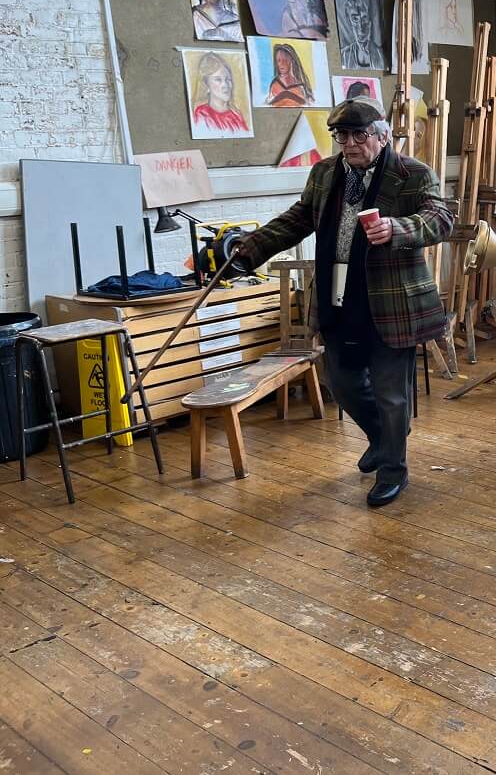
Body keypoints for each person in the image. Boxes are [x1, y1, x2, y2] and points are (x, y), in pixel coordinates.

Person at [232, 96, 452, 507]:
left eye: (359, 134)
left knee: (391, 393)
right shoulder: (324, 173)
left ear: (383, 135)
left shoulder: (414, 173)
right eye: (342, 135)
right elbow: (298, 219)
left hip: (390, 301)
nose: (350, 143)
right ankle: (384, 439)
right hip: (338, 294)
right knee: (341, 381)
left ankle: (392, 470)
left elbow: (441, 219)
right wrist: (250, 249)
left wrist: (397, 228)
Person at [191, 52, 250, 134]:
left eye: (228, 79)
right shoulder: (202, 114)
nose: (225, 85)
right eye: (218, 80)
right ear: (206, 85)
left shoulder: (237, 116)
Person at [267, 43, 315, 107]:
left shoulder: (300, 86)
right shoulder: (275, 84)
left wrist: (289, 95)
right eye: (278, 60)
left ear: (292, 61)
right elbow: (268, 104)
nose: (281, 64)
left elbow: (310, 104)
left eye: (285, 60)